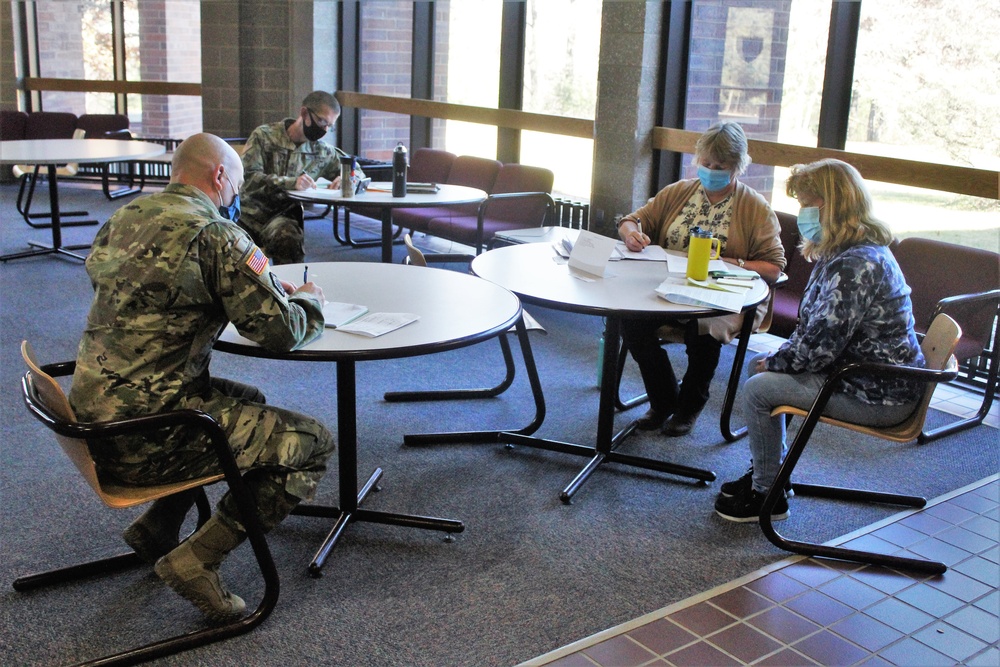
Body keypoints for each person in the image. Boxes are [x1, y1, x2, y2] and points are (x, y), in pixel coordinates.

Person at [68, 133, 335, 622]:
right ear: (218, 177)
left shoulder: (125, 217)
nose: (235, 195)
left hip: (92, 415)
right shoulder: (216, 235)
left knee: (248, 398)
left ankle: (159, 528)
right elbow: (283, 331)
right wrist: (309, 297)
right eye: (234, 185)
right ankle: (197, 560)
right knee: (312, 444)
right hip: (150, 434)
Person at [714, 159, 925, 522]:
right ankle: (773, 474)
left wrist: (778, 361)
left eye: (808, 204)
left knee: (759, 387)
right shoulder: (846, 252)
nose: (803, 214)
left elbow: (822, 345)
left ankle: (769, 496)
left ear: (834, 205)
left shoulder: (854, 264)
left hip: (877, 394)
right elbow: (817, 331)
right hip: (861, 376)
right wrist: (778, 358)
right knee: (759, 369)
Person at [617, 121, 785, 436]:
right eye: (705, 164)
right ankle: (664, 399)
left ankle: (689, 407)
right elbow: (634, 219)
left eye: (719, 166)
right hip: (668, 289)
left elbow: (774, 268)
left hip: (727, 298)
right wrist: (631, 233)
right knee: (631, 322)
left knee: (704, 330)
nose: (710, 170)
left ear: (737, 167)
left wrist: (728, 261)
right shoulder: (679, 192)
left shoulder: (754, 207)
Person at [239, 90, 356, 264]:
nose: (324, 129)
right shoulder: (264, 136)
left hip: (281, 217)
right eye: (321, 121)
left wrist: (347, 178)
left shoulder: (321, 151)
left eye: (329, 126)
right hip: (247, 214)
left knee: (288, 237)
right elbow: (248, 178)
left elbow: (354, 168)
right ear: (304, 113)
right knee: (223, 244)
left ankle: (289, 288)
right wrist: (292, 183)